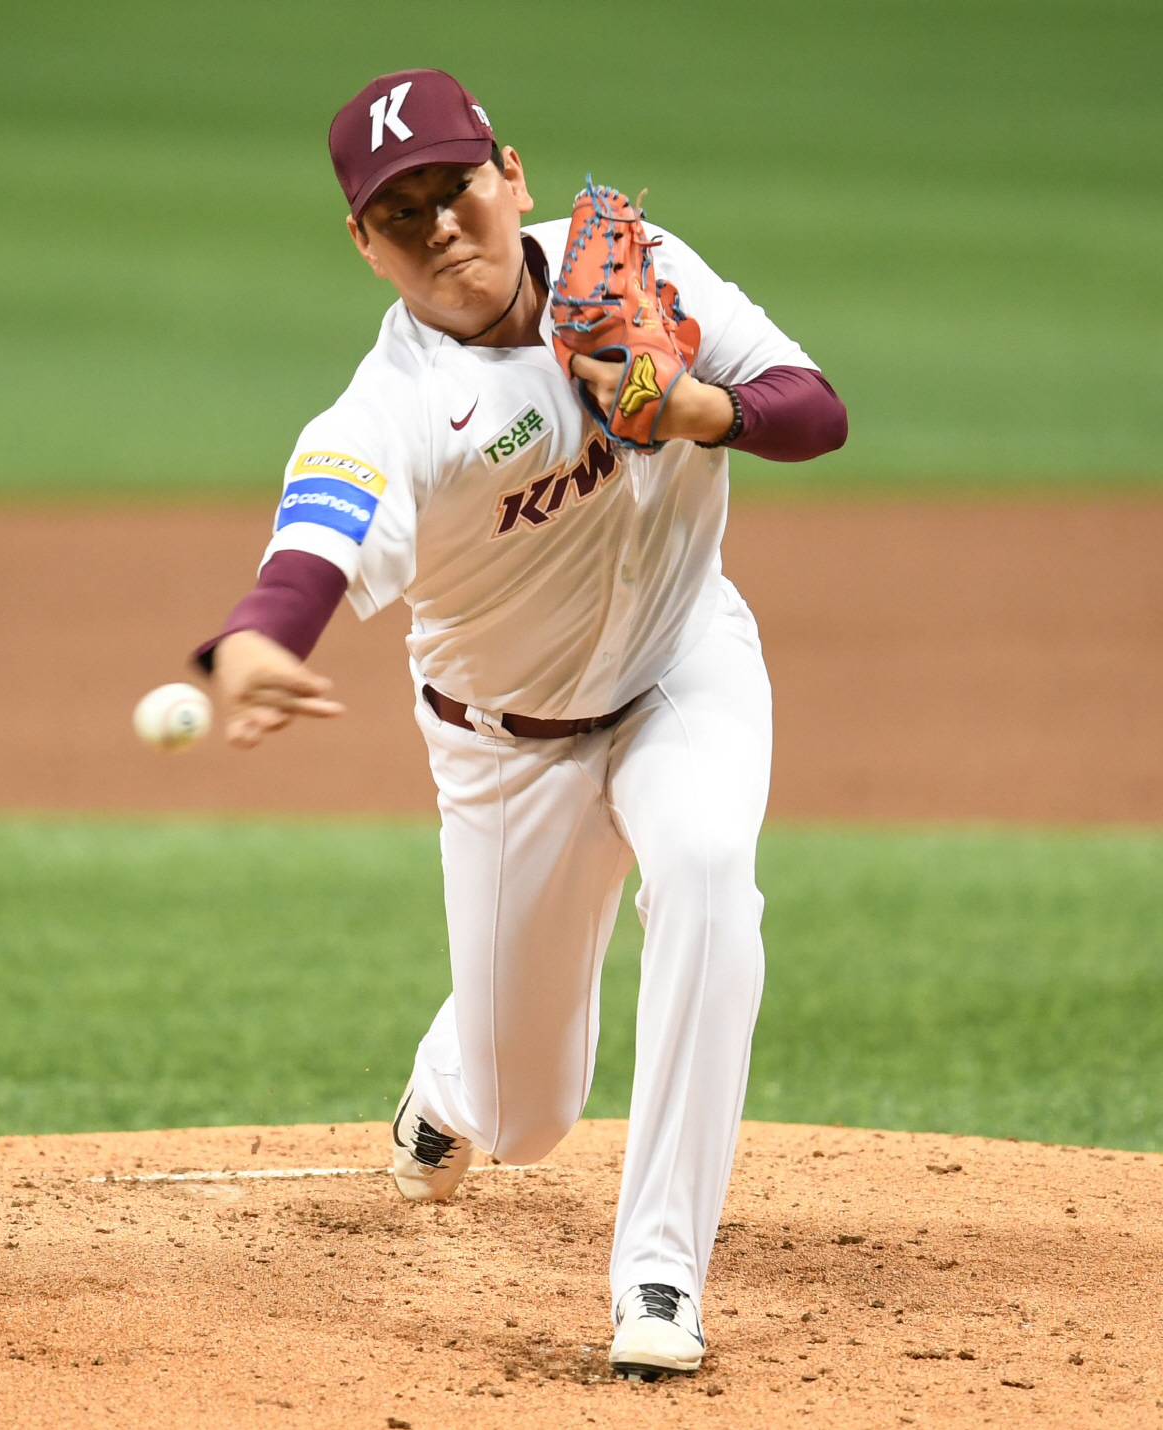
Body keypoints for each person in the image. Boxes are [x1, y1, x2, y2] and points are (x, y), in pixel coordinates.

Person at [194, 68, 847, 1380]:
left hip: (683, 668)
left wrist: (701, 406)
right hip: (505, 747)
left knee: (709, 869)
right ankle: (453, 1079)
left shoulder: (638, 271)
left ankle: (661, 1271)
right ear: (364, 244)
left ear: (514, 176)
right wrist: (260, 635)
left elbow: (814, 408)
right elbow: (319, 534)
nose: (440, 227)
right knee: (524, 1112)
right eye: (402, 212)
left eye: (457, 188)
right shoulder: (392, 407)